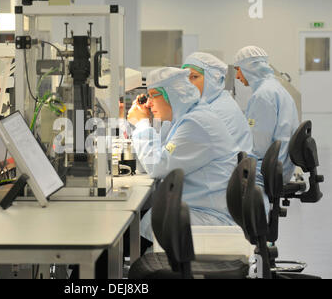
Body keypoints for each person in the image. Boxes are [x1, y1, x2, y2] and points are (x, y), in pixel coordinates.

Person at [127, 68, 239, 241]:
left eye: (153, 95)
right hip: (194, 209)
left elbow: (157, 166)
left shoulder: (196, 123)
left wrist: (141, 124)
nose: (148, 103)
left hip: (206, 219)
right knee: (132, 228)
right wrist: (145, 124)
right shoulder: (188, 117)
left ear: (173, 95)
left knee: (121, 235)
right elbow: (162, 153)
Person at [234, 46, 299, 184]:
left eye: (238, 69)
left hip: (268, 170)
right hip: (282, 166)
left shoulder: (262, 96)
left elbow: (258, 148)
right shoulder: (275, 88)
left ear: (248, 68)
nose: (237, 76)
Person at [182, 52, 253, 155]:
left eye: (194, 77)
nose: (188, 84)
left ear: (212, 80)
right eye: (185, 78)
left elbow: (185, 152)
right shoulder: (220, 99)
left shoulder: (215, 111)